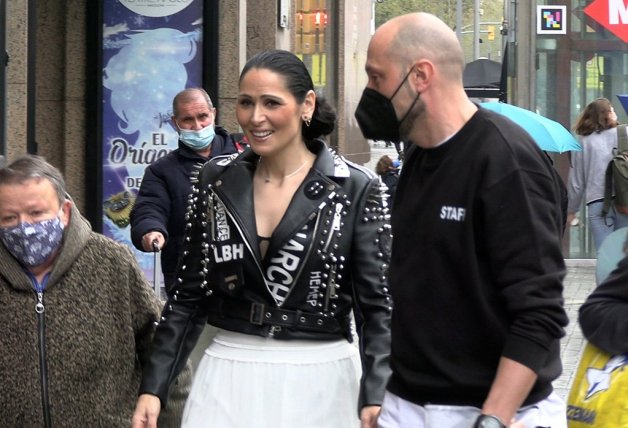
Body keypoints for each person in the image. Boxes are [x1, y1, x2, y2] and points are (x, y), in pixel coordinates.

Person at [132, 49, 392, 428]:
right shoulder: (213, 180)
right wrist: (153, 388)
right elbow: (187, 298)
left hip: (322, 376)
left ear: (306, 105)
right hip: (227, 375)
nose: (256, 118)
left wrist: (376, 392)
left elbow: (377, 309)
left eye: (271, 102)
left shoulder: (356, 186)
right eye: (245, 102)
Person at [354, 13, 567, 428]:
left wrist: (494, 419)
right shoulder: (415, 156)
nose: (369, 93)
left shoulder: (507, 161)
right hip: (407, 404)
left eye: (377, 78)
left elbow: (540, 313)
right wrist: (389, 397)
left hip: (497, 412)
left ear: (420, 75)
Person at [0, 155, 191, 427]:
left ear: (64, 212)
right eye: (9, 217)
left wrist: (169, 420)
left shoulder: (111, 262)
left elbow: (166, 351)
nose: (24, 227)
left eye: (36, 213)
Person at [130, 87, 241, 293]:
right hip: (189, 281)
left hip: (244, 274)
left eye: (203, 117)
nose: (197, 126)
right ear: (175, 123)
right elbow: (149, 207)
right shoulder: (161, 171)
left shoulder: (244, 152)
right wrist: (150, 229)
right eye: (187, 120)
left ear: (214, 114)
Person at [567, 97, 626, 251]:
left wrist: (571, 210)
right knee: (624, 254)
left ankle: (607, 275)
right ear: (608, 114)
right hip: (625, 200)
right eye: (612, 109)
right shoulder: (625, 133)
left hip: (598, 204)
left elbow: (576, 182)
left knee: (606, 255)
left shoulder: (583, 142)